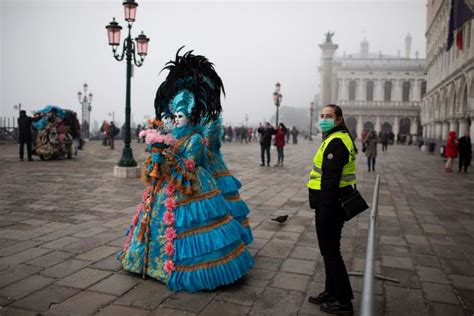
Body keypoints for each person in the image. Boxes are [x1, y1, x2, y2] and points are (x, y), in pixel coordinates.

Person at [119, 48, 254, 292]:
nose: (177, 119)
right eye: (175, 115)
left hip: (190, 186)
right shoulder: (168, 134)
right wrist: (157, 155)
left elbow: (190, 165)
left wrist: (169, 158)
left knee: (191, 226)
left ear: (190, 116)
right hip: (164, 187)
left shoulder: (195, 139)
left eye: (182, 115)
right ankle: (148, 262)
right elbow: (157, 165)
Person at [307, 104, 356, 315]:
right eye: (322, 115)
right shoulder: (338, 137)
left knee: (331, 253)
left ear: (338, 119)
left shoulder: (336, 142)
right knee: (329, 252)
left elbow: (330, 180)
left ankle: (344, 301)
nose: (324, 119)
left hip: (330, 206)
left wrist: (324, 209)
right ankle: (330, 292)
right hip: (334, 203)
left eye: (329, 116)